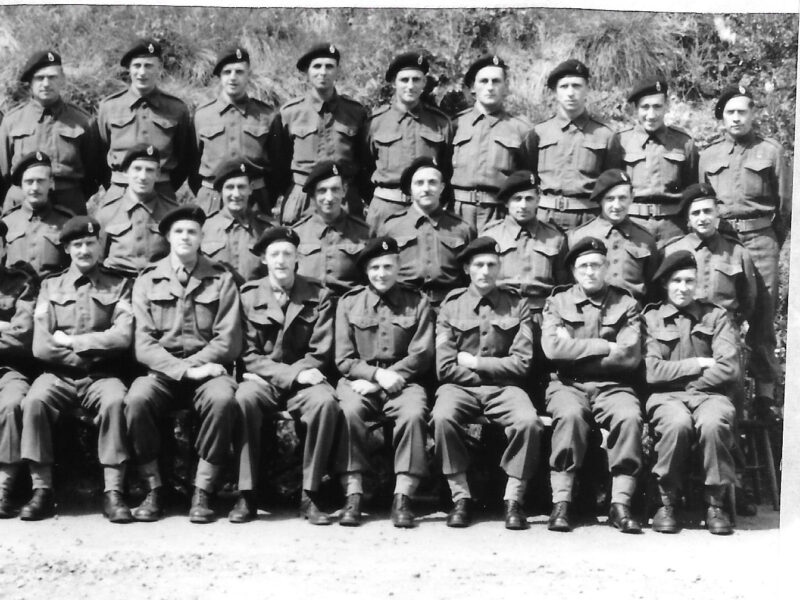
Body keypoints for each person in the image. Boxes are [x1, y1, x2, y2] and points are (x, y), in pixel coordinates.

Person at [124, 204, 242, 524]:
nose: (186, 237)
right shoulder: (148, 279)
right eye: (179, 231)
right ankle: (154, 488)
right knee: (136, 400)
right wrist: (185, 369)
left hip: (210, 372)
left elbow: (228, 339)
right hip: (163, 372)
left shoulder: (221, 278)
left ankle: (202, 490)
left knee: (223, 400)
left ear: (202, 237)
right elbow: (144, 343)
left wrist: (198, 366)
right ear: (167, 237)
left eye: (192, 231)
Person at [18, 216, 133, 522]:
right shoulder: (50, 286)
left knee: (116, 401)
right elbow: (41, 346)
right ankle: (41, 490)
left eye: (90, 243)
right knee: (35, 402)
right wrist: (89, 354)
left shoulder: (119, 285)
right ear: (67, 249)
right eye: (77, 244)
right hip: (58, 375)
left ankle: (114, 491)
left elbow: (122, 336)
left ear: (100, 246)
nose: (84, 250)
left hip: (102, 376)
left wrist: (74, 341)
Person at [233, 226, 342, 525]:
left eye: (287, 254)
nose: (281, 260)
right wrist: (290, 376)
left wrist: (298, 377)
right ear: (265, 260)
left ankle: (311, 493)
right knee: (243, 400)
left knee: (325, 403)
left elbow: (321, 351)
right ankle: (247, 492)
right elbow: (248, 353)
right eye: (274, 254)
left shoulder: (319, 295)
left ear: (297, 259)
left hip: (307, 381)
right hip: (264, 381)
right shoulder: (248, 296)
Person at [431, 237, 542, 530]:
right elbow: (445, 367)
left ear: (499, 267)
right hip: (459, 388)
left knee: (528, 421)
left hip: (506, 390)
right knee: (442, 417)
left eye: (491, 264)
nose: (485, 271)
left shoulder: (517, 305)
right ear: (467, 268)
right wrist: (490, 374)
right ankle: (461, 498)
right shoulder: (451, 306)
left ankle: (513, 499)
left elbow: (522, 364)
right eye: (478, 264)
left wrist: (479, 365)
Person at [541, 237, 643, 534]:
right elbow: (553, 351)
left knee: (629, 417)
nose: (590, 272)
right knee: (569, 417)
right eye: (583, 266)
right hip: (567, 385)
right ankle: (562, 502)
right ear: (573, 271)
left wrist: (575, 350)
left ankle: (620, 503)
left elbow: (629, 357)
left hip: (614, 386)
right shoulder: (557, 302)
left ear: (606, 267)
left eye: (596, 265)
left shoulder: (626, 303)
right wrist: (604, 345)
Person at [698, 85, 789, 413]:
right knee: (720, 308)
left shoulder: (771, 151)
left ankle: (765, 394)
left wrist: (768, 239)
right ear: (721, 118)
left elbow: (785, 207)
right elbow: (700, 199)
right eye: (729, 113)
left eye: (742, 112)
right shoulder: (708, 155)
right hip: (723, 241)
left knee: (763, 315)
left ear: (753, 114)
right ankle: (720, 382)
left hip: (761, 240)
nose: (736, 118)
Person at [335, 237, 434, 528]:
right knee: (348, 411)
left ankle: (403, 496)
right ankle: (353, 493)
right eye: (375, 267)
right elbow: (343, 358)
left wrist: (386, 380)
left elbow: (422, 354)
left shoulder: (418, 301)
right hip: (359, 380)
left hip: (404, 380)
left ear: (399, 266)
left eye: (388, 266)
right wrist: (375, 376)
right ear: (366, 270)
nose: (382, 273)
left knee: (413, 413)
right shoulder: (349, 303)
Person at [643, 250, 739, 535]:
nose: (683, 288)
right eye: (676, 281)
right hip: (665, 398)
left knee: (713, 423)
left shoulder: (715, 316)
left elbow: (729, 367)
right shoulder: (651, 318)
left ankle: (715, 504)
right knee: (676, 424)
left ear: (698, 284)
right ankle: (665, 502)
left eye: (689, 281)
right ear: (665, 284)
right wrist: (696, 364)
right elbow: (651, 371)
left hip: (710, 395)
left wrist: (690, 383)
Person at [269, 43, 369, 225]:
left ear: (337, 71)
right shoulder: (290, 113)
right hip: (303, 199)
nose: (323, 72)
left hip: (344, 199)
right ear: (307, 71)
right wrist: (294, 192)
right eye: (317, 66)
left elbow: (364, 161)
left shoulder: (355, 112)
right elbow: (278, 165)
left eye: (329, 66)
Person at [662, 184, 758, 359]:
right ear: (688, 220)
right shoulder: (672, 251)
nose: (702, 218)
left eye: (707, 211)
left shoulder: (737, 252)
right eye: (695, 213)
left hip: (724, 332)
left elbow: (748, 300)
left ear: (717, 213)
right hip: (683, 332)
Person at [94, 38, 196, 205]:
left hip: (162, 193)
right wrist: (116, 184)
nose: (142, 73)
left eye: (148, 66)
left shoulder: (176, 109)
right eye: (137, 66)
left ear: (160, 68)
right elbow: (99, 157)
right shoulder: (109, 107)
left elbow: (184, 158)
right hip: (119, 192)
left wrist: (164, 184)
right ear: (129, 68)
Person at [523, 59, 622, 230]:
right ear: (554, 92)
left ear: (587, 90)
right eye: (564, 86)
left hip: (588, 217)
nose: (570, 93)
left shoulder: (605, 135)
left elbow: (611, 181)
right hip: (546, 217)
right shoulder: (539, 132)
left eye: (577, 86)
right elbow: (528, 174)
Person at [0, 50, 99, 216]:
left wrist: (71, 194)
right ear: (30, 82)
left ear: (62, 80)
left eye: (52, 77)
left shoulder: (83, 121)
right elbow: (2, 174)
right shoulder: (12, 121)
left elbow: (94, 173)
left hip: (68, 207)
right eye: (40, 78)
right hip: (21, 209)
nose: (46, 83)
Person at [365, 52, 452, 230]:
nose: (410, 86)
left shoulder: (440, 123)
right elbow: (362, 166)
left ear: (424, 83)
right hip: (385, 208)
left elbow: (447, 169)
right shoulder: (376, 123)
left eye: (416, 79)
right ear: (394, 83)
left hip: (426, 209)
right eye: (404, 80)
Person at [375, 157, 474, 308]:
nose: (426, 189)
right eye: (419, 183)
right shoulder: (391, 227)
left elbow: (471, 275)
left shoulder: (462, 228)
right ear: (410, 189)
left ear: (442, 187)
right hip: (404, 306)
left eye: (432, 182)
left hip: (449, 306)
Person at [449, 55, 532, 232]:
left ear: (505, 88)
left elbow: (528, 178)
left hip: (499, 213)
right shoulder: (455, 125)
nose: (490, 87)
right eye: (484, 81)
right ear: (473, 88)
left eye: (496, 81)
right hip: (457, 212)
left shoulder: (520, 129)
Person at [192, 46, 273, 216]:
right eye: (227, 72)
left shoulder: (267, 115)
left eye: (239, 72)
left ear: (248, 75)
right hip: (212, 200)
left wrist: (264, 194)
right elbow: (191, 165)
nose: (233, 77)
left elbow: (279, 164)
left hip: (255, 199)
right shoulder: (202, 115)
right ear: (220, 76)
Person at [618, 77, 698, 244]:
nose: (651, 115)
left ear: (666, 106)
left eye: (657, 107)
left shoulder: (683, 142)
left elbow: (692, 187)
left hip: (673, 228)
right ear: (635, 109)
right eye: (645, 107)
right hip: (632, 224)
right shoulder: (621, 142)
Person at [481, 170, 568, 312]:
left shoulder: (555, 238)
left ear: (538, 201)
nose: (523, 205)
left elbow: (563, 285)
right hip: (502, 312)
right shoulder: (490, 235)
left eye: (529, 199)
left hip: (541, 312)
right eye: (517, 199)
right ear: (506, 203)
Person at [568, 169, 659, 304]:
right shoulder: (579, 236)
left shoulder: (645, 239)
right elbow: (569, 284)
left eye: (622, 198)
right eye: (610, 199)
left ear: (632, 197)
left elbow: (653, 288)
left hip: (632, 314)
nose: (616, 206)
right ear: (600, 201)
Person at [0, 221, 38, 518]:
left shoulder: (20, 283)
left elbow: (22, 336)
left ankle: (3, 487)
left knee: (12, 404)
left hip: (8, 368)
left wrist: (9, 331)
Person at [95, 144, 177, 275]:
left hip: (157, 285)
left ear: (158, 174)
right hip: (118, 286)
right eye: (137, 169)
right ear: (126, 172)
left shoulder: (172, 212)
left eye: (149, 170)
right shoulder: (107, 213)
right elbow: (96, 261)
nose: (143, 176)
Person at [292, 161, 370, 296]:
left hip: (348, 309)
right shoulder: (297, 233)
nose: (329, 198)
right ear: (312, 195)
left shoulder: (364, 233)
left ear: (344, 191)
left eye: (335, 189)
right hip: (309, 310)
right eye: (322, 191)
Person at [200, 159, 273, 284]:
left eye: (241, 187)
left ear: (250, 189)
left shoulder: (267, 229)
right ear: (220, 191)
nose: (236, 194)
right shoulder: (205, 229)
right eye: (229, 187)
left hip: (255, 301)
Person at [1, 152, 72, 276]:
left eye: (40, 181)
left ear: (51, 183)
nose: (35, 188)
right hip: (16, 293)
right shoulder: (7, 222)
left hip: (54, 292)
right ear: (21, 185)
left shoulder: (66, 222)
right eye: (29, 182)